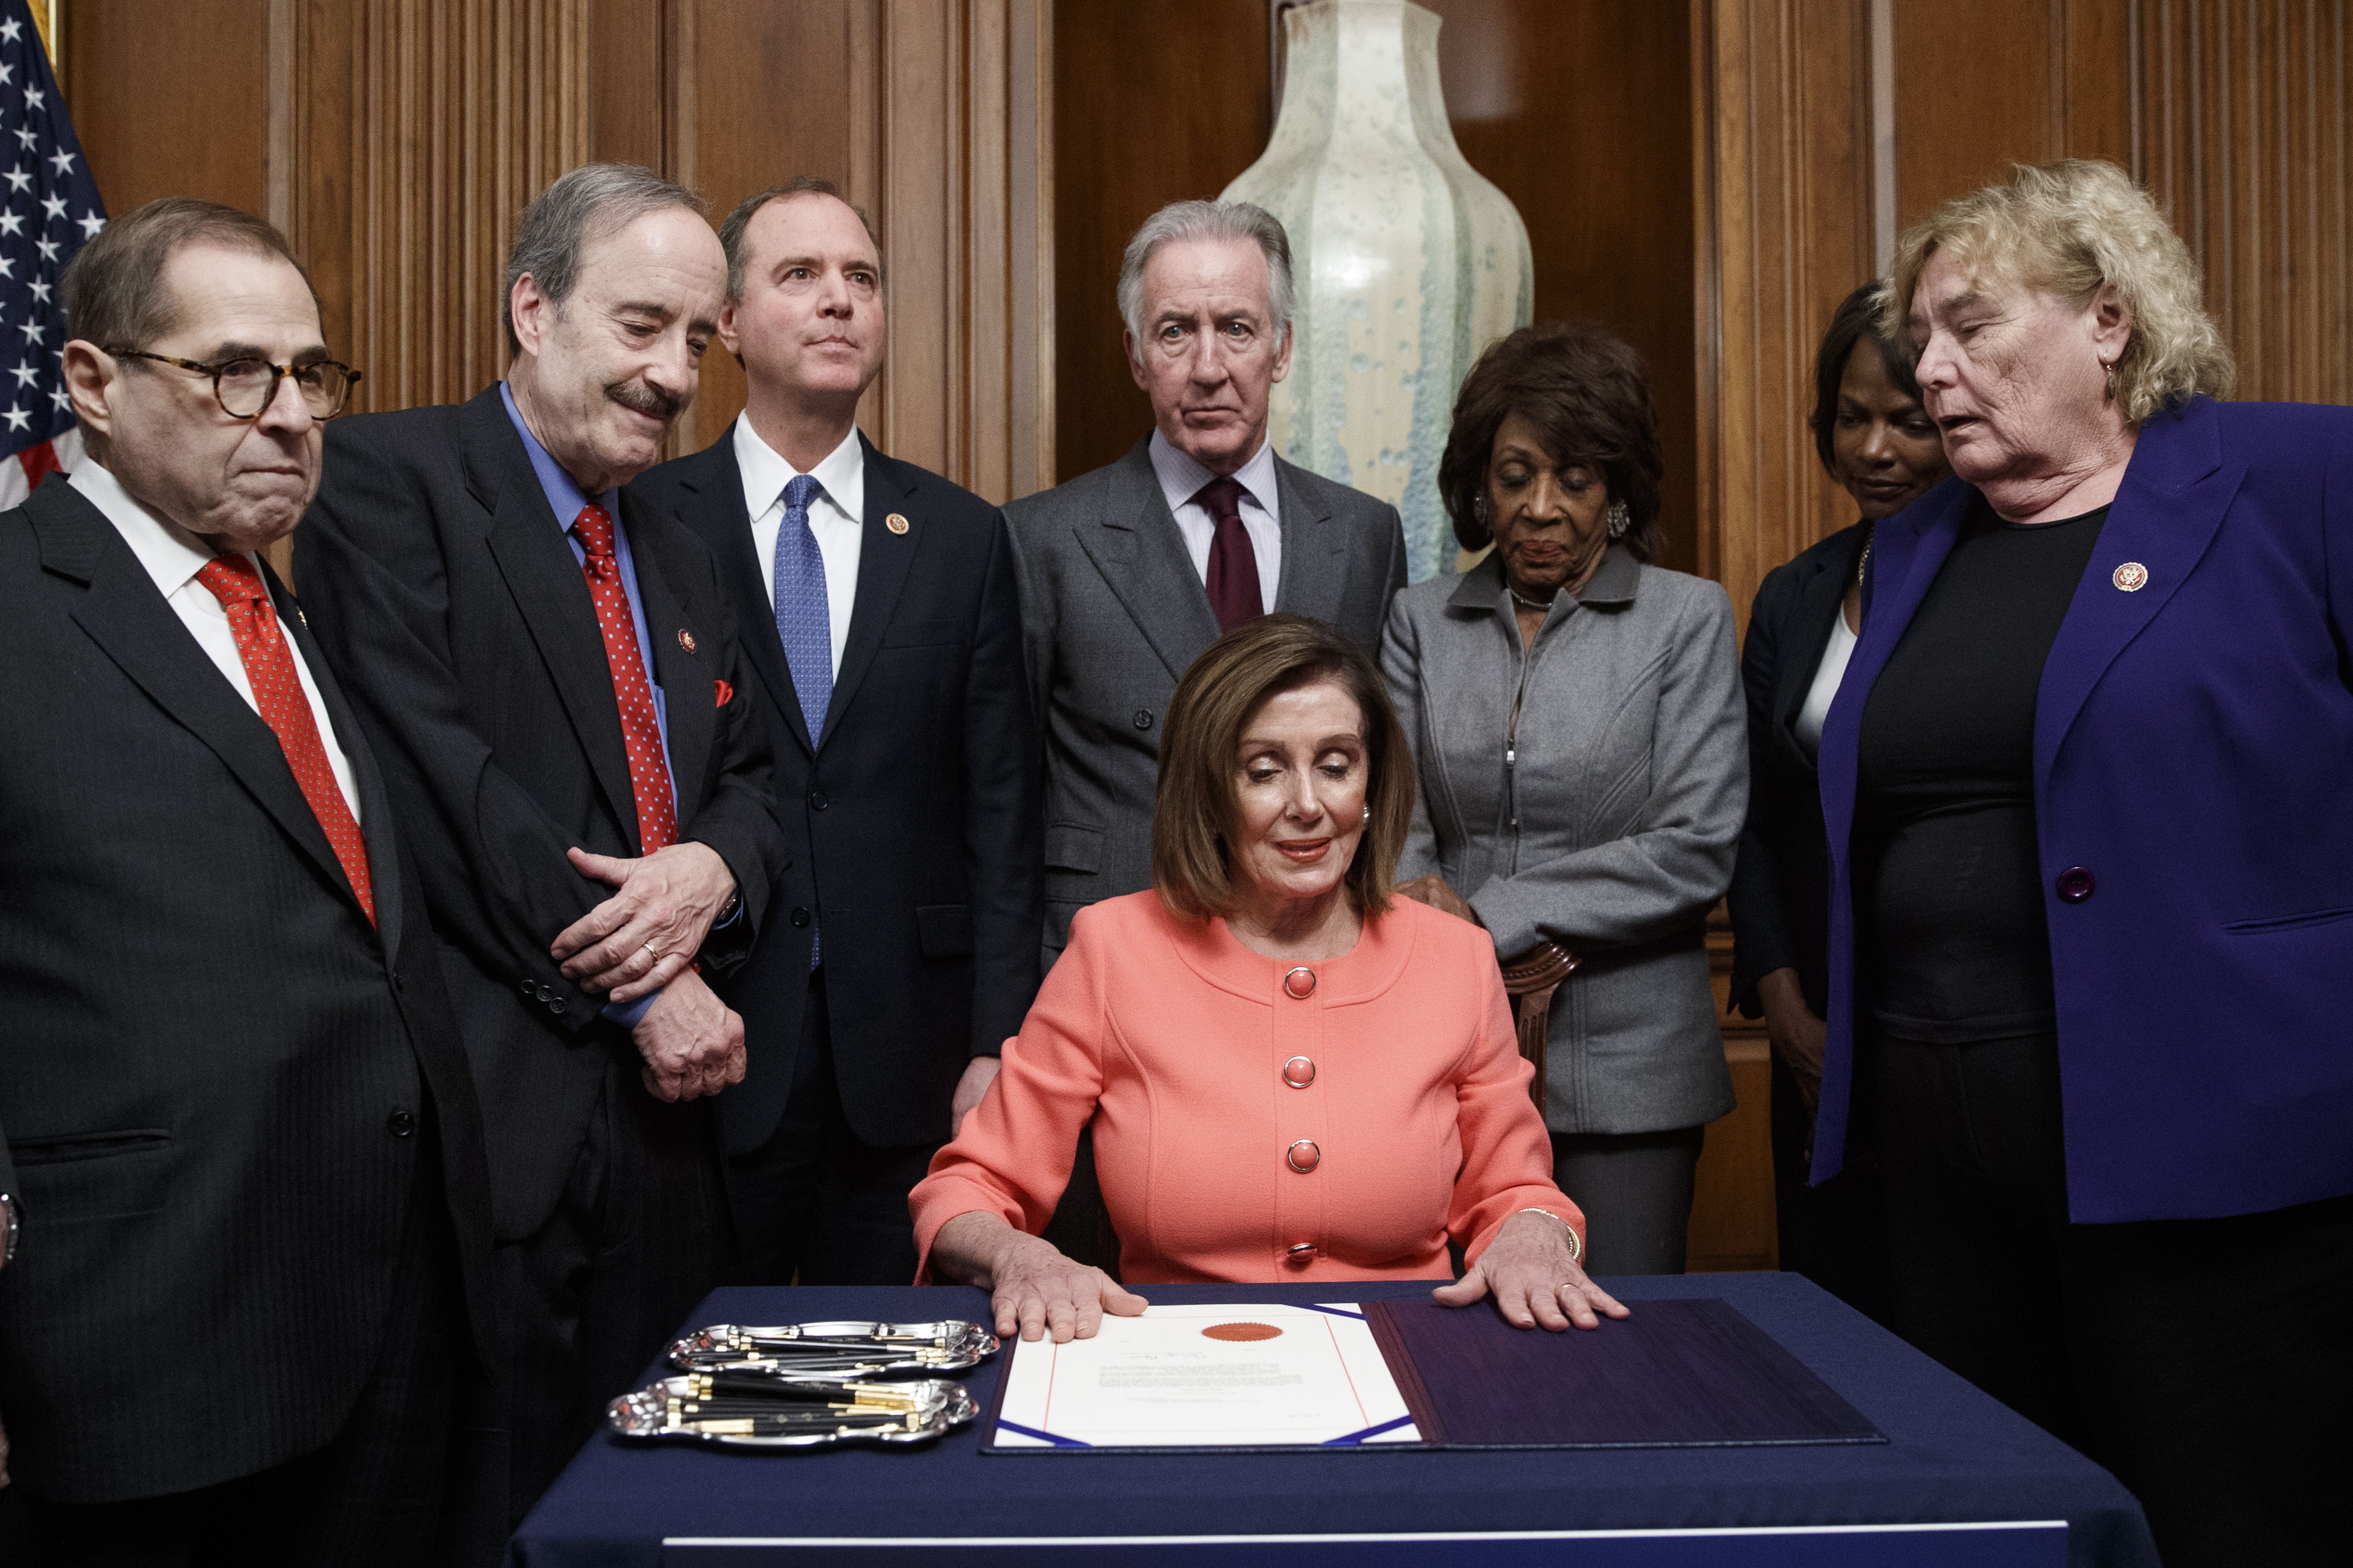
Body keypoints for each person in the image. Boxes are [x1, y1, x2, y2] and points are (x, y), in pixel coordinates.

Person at [1814, 159, 2353, 1567]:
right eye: (1918, 340)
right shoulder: (1913, 545)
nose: (1931, 369)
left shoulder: (2296, 479)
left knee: (2227, 1517)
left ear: (2105, 321)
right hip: (1936, 1166)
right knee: (1992, 1529)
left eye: (1970, 328)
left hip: (2212, 1150)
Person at [0, 199, 498, 1563]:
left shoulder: (277, 608)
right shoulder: (17, 607)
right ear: (93, 384)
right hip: (144, 1354)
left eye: (310, 375)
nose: (289, 415)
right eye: (235, 373)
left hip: (394, 1343)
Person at [292, 165, 788, 1520]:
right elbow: (443, 782)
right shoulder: (385, 486)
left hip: (680, 1135)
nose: (675, 373)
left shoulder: (682, 543)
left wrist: (717, 866)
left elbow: (755, 778)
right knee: (505, 1512)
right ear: (532, 307)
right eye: (640, 325)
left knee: (670, 1512)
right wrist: (644, 973)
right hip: (498, 1118)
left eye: (697, 339)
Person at [911, 615, 1623, 1343]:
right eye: (1263, 770)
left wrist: (1533, 1234)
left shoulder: (1456, 959)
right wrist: (1016, 1254)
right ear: (1209, 792)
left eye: (1336, 764)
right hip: (1177, 1363)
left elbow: (1516, 1189)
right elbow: (968, 1187)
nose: (1307, 803)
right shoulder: (1112, 949)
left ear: (1371, 782)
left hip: (1410, 1353)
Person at [632, 178, 1042, 1285]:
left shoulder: (960, 536)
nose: (838, 301)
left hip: (909, 1059)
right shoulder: (648, 521)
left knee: (898, 1384)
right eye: (800, 275)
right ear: (726, 323)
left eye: (860, 278)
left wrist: (994, 1047)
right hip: (708, 1044)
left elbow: (1002, 815)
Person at [1382, 322, 1746, 1278]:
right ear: (1478, 485)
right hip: (1446, 1053)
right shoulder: (1418, 622)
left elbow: (1698, 843)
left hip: (1634, 1072)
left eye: (1577, 479)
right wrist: (1432, 916)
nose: (1542, 509)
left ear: (1618, 492)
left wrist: (1487, 911)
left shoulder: (1687, 617)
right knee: (1454, 1352)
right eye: (1515, 476)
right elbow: (1393, 816)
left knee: (1621, 1361)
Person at [1004, 200, 1407, 962]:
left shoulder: (1363, 535)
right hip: (1117, 951)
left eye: (1236, 327)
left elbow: (1376, 764)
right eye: (1175, 331)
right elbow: (998, 796)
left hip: (1313, 943)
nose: (1208, 367)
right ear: (1135, 355)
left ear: (1281, 347)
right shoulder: (1041, 538)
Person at [1725, 283, 1947, 1318]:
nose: (1876, 448)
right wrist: (1781, 1003)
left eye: (1908, 421)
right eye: (1851, 418)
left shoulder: (2014, 581)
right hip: (1813, 1026)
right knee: (1830, 1309)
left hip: (1953, 1032)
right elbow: (1757, 814)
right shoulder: (1797, 591)